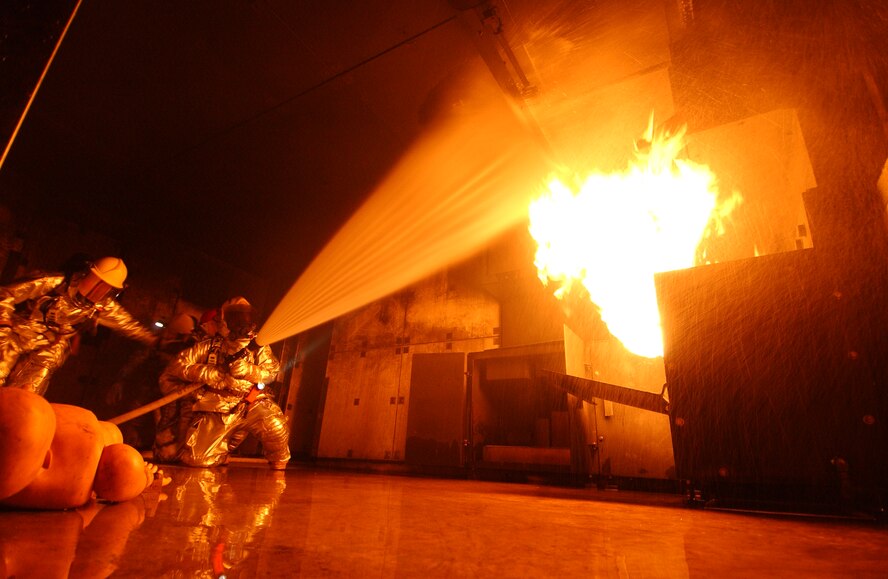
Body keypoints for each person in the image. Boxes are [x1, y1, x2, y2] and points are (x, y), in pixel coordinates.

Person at [0, 256, 158, 396]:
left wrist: (154, 341)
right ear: (87, 273)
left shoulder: (103, 305)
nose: (98, 289)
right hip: (18, 333)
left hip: (50, 346)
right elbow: (7, 293)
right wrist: (4, 323)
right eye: (98, 282)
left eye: (106, 287)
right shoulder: (54, 282)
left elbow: (127, 325)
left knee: (29, 393)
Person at [164, 297, 290, 469]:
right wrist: (210, 373)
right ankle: (222, 452)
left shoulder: (259, 347)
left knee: (275, 426)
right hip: (217, 406)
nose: (241, 322)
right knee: (197, 459)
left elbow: (271, 372)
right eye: (236, 316)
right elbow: (178, 366)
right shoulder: (209, 347)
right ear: (223, 321)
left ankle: (279, 464)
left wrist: (249, 370)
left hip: (251, 402)